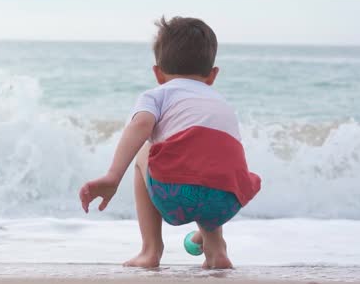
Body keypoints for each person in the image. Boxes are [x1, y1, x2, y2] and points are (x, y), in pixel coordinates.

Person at [78, 16, 261, 269]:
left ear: (158, 73)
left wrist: (113, 176)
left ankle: (150, 250)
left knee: (146, 153)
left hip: (173, 193)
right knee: (208, 158)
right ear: (212, 75)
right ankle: (216, 250)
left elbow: (140, 125)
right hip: (228, 201)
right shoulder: (220, 102)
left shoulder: (157, 95)